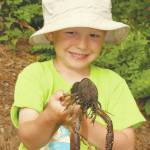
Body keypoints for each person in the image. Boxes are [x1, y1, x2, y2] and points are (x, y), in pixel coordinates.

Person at [11, 0, 145, 150]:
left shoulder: (114, 83)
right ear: (50, 34)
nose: (82, 45)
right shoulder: (34, 76)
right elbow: (30, 140)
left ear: (104, 36)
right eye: (71, 32)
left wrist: (82, 122)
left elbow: (126, 146)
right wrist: (50, 116)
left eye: (93, 35)